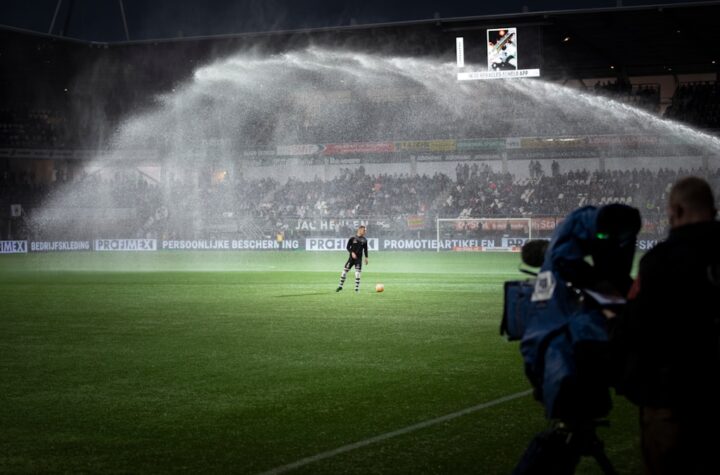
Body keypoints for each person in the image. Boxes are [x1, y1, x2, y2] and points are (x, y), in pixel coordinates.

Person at [609, 176, 720, 475]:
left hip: (674, 401)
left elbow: (635, 329)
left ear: (676, 211)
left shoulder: (661, 261)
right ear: (714, 210)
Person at [336, 225, 369, 293]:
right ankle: (340, 286)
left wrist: (366, 257)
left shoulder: (364, 240)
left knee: (357, 273)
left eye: (365, 230)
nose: (365, 232)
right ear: (359, 230)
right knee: (344, 272)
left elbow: (365, 249)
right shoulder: (352, 238)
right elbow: (348, 247)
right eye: (364, 230)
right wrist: (352, 253)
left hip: (358, 259)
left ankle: (356, 289)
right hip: (351, 259)